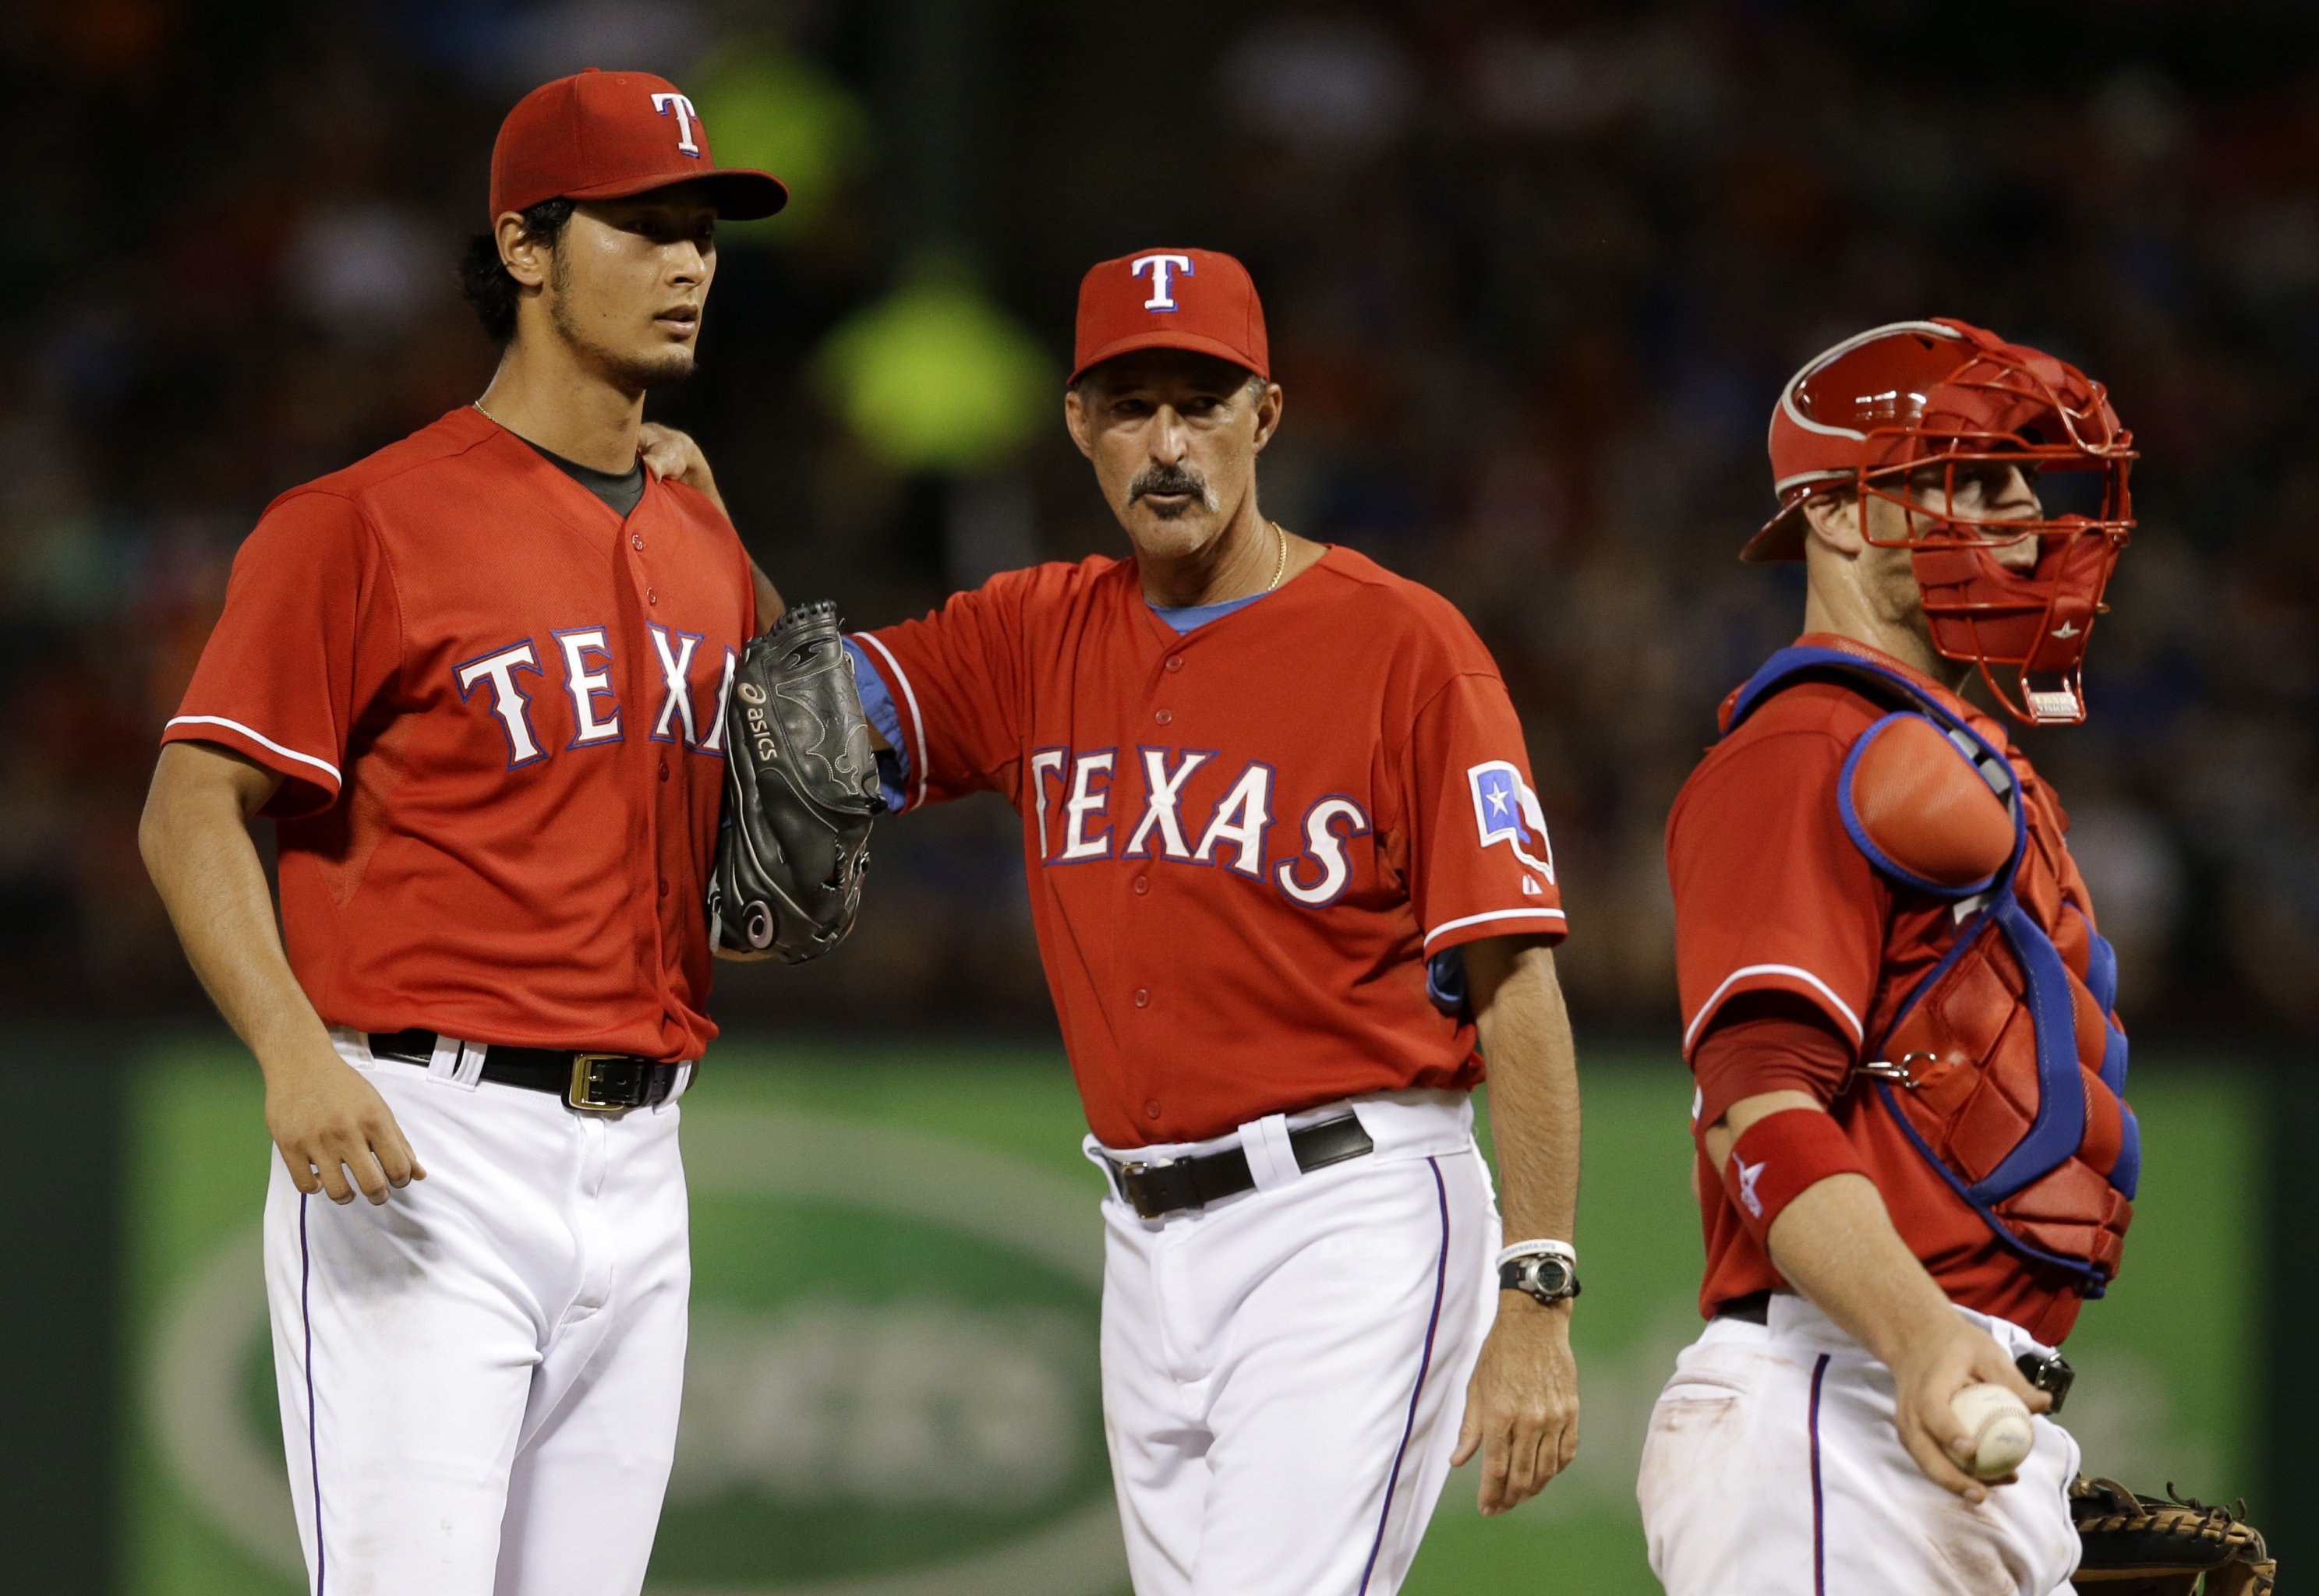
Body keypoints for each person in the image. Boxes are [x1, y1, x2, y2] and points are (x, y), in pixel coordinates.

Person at [656, 245, 1585, 1594]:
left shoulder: (1407, 648)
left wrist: (1539, 1289)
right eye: (1132, 404)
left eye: (1201, 404)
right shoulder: (1038, 631)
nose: (1168, 444)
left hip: (1352, 1214)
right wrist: (705, 535)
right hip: (1145, 1241)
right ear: (1079, 425)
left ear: (1266, 416)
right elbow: (800, 715)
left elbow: (1518, 985)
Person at [138, 69, 787, 1596]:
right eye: (642, 226)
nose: (688, 262)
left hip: (645, 1155)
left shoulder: (699, 529)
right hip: (423, 1148)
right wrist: (294, 1054)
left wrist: (730, 542)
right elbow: (189, 807)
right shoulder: (362, 521)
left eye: (702, 230)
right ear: (525, 247)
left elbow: (782, 739)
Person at [1641, 318, 2142, 1593]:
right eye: (1971, 475)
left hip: (1933, 1407)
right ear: (1845, 517)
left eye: (2028, 478)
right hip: (1842, 1399)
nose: (2027, 506)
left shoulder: (1947, 753)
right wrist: (1921, 1342)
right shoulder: (1805, 749)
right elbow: (1752, 1104)